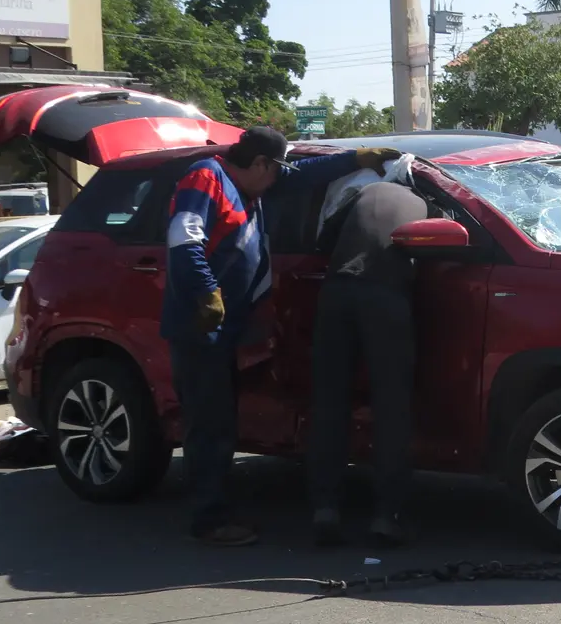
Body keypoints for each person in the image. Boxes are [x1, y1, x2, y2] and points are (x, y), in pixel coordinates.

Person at [163, 126, 399, 547]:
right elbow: (184, 239)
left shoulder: (249, 184)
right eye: (275, 170)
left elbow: (302, 174)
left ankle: (217, 505)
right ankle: (209, 519)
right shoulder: (205, 179)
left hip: (231, 325)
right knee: (209, 425)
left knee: (222, 421)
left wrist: (354, 159)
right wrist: (206, 292)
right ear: (259, 164)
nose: (278, 179)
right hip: (201, 326)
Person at [309, 181, 429, 548]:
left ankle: (324, 508)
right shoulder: (424, 201)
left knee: (329, 404)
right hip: (384, 297)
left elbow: (322, 239)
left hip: (336, 292)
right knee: (391, 408)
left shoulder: (360, 194)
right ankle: (387, 516)